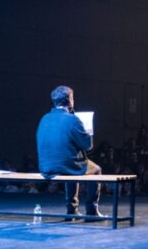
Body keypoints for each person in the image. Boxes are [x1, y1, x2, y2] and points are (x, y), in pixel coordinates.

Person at [37, 85, 103, 219]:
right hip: (65, 165)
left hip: (46, 166)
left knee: (71, 164)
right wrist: (88, 131)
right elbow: (88, 145)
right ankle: (91, 210)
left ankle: (71, 210)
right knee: (96, 170)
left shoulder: (45, 118)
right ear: (70, 100)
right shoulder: (73, 120)